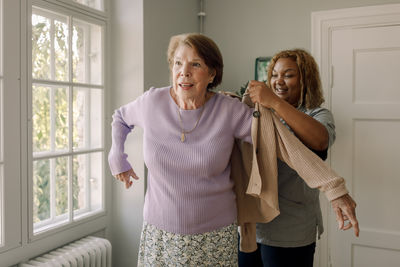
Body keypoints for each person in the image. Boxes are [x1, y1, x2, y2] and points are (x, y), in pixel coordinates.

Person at [108, 34, 358, 266]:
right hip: (158, 234)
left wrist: (333, 187)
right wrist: (117, 156)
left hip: (215, 236)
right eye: (177, 63)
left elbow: (284, 144)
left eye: (195, 64)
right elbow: (120, 118)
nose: (183, 72)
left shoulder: (229, 110)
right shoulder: (152, 102)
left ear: (211, 74)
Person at [238, 49, 349, 267]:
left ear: (305, 79)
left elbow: (320, 142)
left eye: (288, 75)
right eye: (274, 75)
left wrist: (275, 103)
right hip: (252, 226)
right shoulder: (258, 114)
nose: (279, 81)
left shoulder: (317, 114)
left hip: (291, 230)